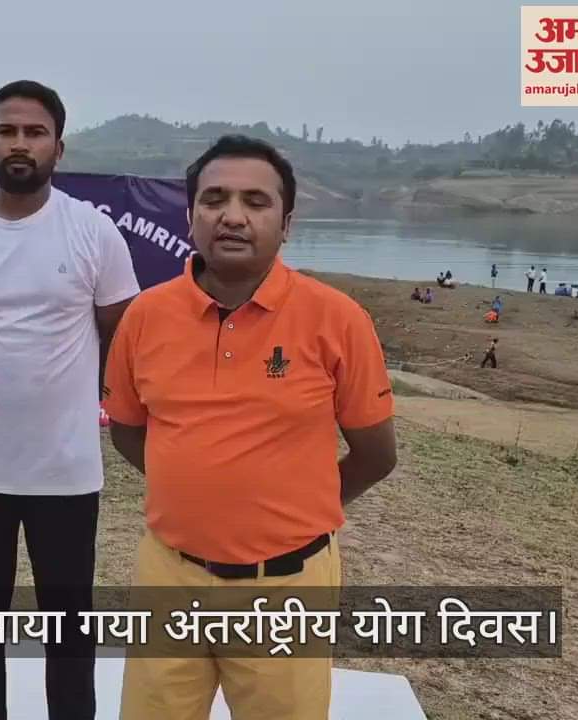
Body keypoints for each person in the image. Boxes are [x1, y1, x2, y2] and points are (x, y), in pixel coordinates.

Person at [103, 135, 397, 720]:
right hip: (170, 575)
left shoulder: (337, 319)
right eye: (214, 199)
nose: (232, 216)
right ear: (190, 216)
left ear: (286, 223)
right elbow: (128, 430)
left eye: (256, 202)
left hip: (288, 588)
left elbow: (375, 453)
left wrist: (288, 511)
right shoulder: (145, 316)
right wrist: (195, 490)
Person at [0, 79, 140, 720]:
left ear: (58, 148)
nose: (20, 143)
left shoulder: (93, 233)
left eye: (34, 133)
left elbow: (118, 331)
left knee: (69, 629)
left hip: (66, 473)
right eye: (8, 131)